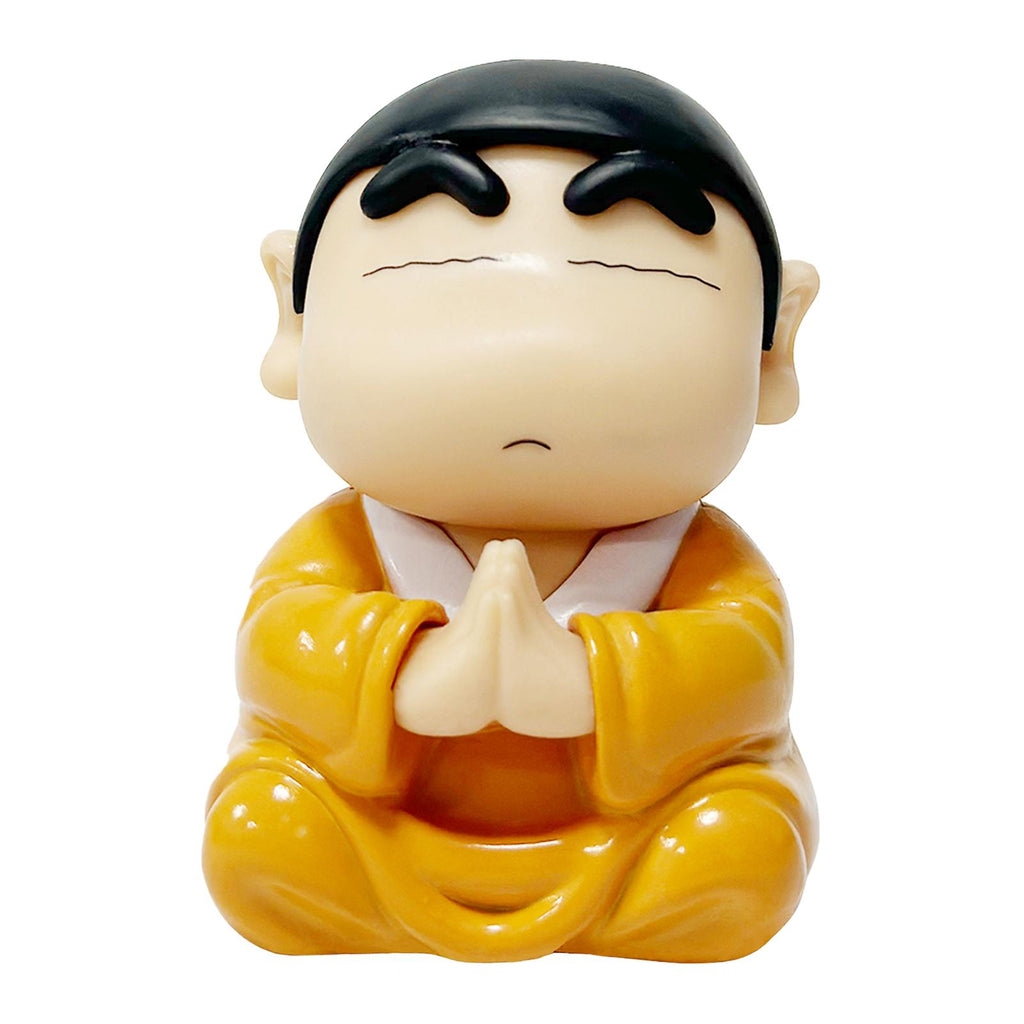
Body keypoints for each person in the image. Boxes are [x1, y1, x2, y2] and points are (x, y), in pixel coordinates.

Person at [203, 59, 820, 962]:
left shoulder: (705, 559)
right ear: (293, 319)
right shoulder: (338, 542)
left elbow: (746, 670)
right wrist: (409, 677)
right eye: (436, 281)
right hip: (390, 830)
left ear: (774, 347)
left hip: (621, 835)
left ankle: (648, 903)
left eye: (627, 287)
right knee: (263, 829)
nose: (531, 350)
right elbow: (281, 648)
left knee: (741, 848)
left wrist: (587, 685)